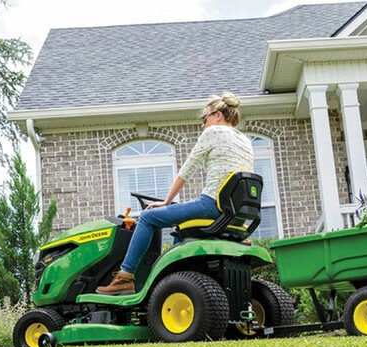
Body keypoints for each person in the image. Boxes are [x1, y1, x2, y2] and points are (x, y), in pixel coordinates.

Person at [96, 93, 254, 295]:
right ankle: (174, 283)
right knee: (179, 228)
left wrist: (166, 202)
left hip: (212, 205)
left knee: (147, 217)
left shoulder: (213, 132)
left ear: (217, 115)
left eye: (203, 118)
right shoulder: (245, 140)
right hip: (235, 213)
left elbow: (186, 171)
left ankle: (125, 277)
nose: (202, 125)